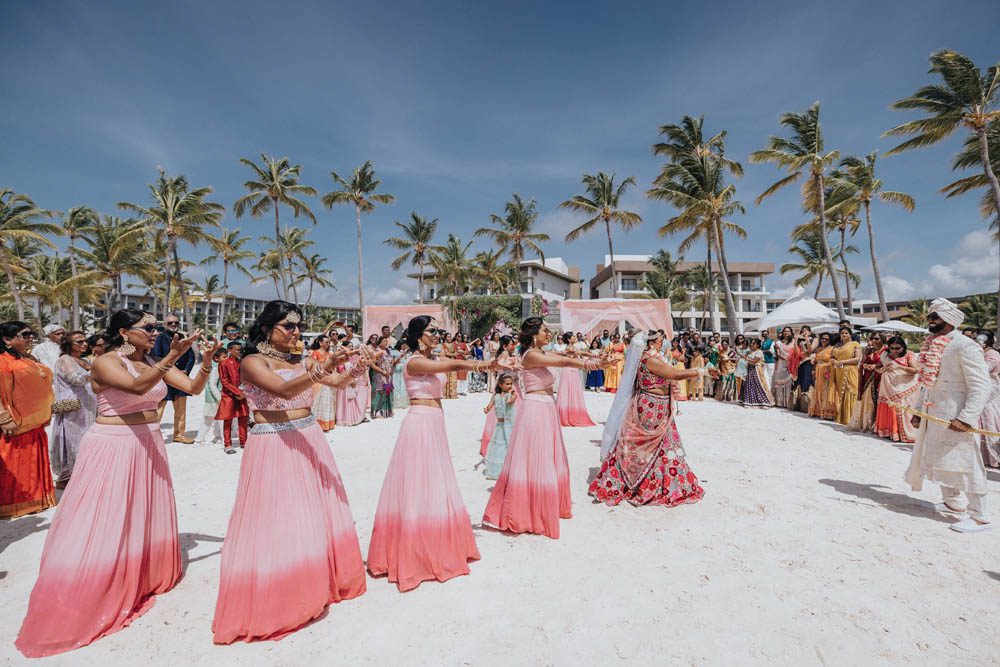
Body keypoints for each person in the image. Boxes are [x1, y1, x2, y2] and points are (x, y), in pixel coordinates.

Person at [16, 311, 217, 657]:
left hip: (148, 440)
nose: (154, 333)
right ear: (124, 331)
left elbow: (194, 389)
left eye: (156, 328)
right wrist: (170, 355)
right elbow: (138, 387)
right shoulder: (107, 360)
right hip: (114, 442)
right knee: (107, 514)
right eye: (148, 328)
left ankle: (141, 571)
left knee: (143, 509)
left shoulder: (154, 360)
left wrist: (206, 362)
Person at [212, 301, 367, 643]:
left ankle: (317, 579)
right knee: (281, 516)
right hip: (274, 442)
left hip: (308, 434)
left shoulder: (295, 360)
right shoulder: (253, 361)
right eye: (288, 326)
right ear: (267, 328)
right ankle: (287, 591)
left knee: (313, 510)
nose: (296, 332)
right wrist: (322, 365)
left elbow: (336, 383)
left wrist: (353, 370)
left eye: (298, 326)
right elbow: (282, 391)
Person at [368, 316, 496, 591]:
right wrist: (486, 364)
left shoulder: (431, 356)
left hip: (434, 421)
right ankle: (416, 548)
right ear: (417, 336)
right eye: (431, 331)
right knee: (418, 483)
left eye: (437, 331)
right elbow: (453, 364)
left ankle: (434, 536)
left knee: (435, 480)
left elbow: (449, 359)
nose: (436, 335)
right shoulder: (414, 360)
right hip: (420, 422)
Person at [483, 317, 610, 539]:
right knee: (536, 458)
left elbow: (563, 356)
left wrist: (595, 358)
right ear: (534, 334)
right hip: (536, 409)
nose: (548, 333)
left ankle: (541, 505)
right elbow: (563, 362)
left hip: (545, 408)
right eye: (544, 330)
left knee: (544, 457)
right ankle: (530, 511)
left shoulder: (538, 353)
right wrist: (595, 364)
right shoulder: (531, 355)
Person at [590, 331, 711, 507]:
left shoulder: (653, 358)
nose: (662, 344)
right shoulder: (650, 360)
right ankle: (640, 484)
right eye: (660, 341)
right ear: (651, 343)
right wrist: (702, 370)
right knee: (648, 445)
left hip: (658, 406)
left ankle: (661, 481)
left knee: (664, 444)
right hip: (651, 408)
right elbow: (673, 374)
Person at [904, 298, 992, 534]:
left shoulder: (965, 345)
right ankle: (953, 502)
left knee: (967, 462)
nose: (931, 320)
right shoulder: (931, 344)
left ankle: (980, 516)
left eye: (936, 317)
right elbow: (927, 383)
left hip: (957, 416)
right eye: (930, 316)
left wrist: (966, 418)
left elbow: (982, 386)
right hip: (935, 414)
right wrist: (920, 411)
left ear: (950, 320)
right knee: (939, 459)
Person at [0, 322, 55, 519]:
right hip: (15, 426)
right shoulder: (2, 361)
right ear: (7, 340)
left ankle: (35, 499)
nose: (30, 337)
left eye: (31, 334)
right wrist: (4, 419)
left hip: (34, 424)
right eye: (24, 335)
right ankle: (12, 505)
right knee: (15, 465)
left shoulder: (27, 358)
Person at [50, 331, 97, 488]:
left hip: (86, 406)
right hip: (73, 406)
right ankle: (68, 476)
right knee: (73, 440)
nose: (84, 344)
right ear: (68, 344)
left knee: (85, 438)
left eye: (85, 341)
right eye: (79, 342)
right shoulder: (65, 359)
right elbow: (76, 379)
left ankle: (81, 474)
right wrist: (96, 370)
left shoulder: (82, 359)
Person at [153, 314, 195, 443]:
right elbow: (156, 356)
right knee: (158, 409)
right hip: (164, 379)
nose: (173, 325)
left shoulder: (183, 338)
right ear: (165, 324)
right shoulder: (160, 338)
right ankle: (152, 435)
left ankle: (179, 435)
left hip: (181, 379)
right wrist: (169, 372)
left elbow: (191, 357)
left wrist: (186, 371)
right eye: (170, 323)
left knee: (181, 410)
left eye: (176, 322)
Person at [874, 336, 920, 443]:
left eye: (898, 348)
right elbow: (877, 367)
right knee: (889, 405)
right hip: (888, 386)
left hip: (904, 386)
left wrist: (899, 367)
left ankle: (901, 433)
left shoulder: (909, 354)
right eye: (892, 348)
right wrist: (881, 369)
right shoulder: (885, 354)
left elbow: (915, 370)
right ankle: (890, 432)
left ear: (903, 347)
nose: (894, 351)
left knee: (903, 409)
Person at [555, 332, 595, 427]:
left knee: (572, 391)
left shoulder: (572, 347)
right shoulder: (570, 348)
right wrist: (594, 355)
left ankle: (570, 412)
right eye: (573, 336)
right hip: (569, 371)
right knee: (569, 391)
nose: (575, 337)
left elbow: (582, 352)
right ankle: (569, 414)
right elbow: (581, 353)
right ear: (569, 339)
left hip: (573, 371)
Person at [216, 342, 249, 452]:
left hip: (242, 393)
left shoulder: (241, 362)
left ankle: (244, 442)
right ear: (229, 350)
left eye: (240, 349)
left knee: (243, 418)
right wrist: (237, 392)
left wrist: (243, 391)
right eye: (236, 349)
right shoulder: (224, 363)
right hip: (229, 395)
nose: (239, 352)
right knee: (228, 420)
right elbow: (224, 381)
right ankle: (227, 444)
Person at [848, 332, 884, 433]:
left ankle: (874, 423)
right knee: (867, 399)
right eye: (872, 338)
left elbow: (885, 364)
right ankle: (866, 423)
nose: (873, 340)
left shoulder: (885, 351)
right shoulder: (870, 350)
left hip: (878, 377)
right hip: (868, 377)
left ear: (882, 339)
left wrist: (874, 367)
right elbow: (862, 362)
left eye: (876, 338)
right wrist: (865, 354)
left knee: (874, 400)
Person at [483, 374, 517, 479]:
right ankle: (497, 470)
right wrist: (487, 409)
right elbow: (490, 405)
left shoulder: (511, 395)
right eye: (507, 384)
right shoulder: (496, 396)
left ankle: (507, 469)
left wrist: (513, 395)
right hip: (499, 425)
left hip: (507, 425)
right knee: (498, 447)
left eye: (511, 383)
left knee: (506, 445)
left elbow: (508, 402)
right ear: (501, 385)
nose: (510, 386)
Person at [976, 332, 1000, 467]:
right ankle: (981, 455)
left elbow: (984, 369)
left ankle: (993, 456)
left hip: (990, 387)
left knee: (989, 418)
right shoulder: (980, 352)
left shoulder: (993, 354)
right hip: (979, 386)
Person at [831, 327, 862, 426]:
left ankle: (851, 418)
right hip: (839, 370)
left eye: (846, 333)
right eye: (842, 333)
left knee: (851, 391)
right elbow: (831, 357)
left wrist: (842, 362)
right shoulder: (837, 345)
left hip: (850, 370)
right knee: (841, 393)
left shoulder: (855, 344)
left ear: (850, 334)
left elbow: (857, 359)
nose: (844, 335)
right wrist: (835, 362)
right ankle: (842, 417)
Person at [195, 347, 225, 447]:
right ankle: (199, 440)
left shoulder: (220, 367)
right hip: (213, 399)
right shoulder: (215, 369)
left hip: (214, 398)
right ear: (216, 358)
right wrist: (219, 398)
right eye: (225, 357)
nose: (227, 359)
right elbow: (212, 385)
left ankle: (217, 437)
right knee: (211, 420)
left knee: (211, 420)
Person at [309, 335, 337, 431]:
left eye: (329, 342)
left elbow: (333, 366)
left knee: (327, 402)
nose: (328, 344)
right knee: (317, 401)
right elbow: (312, 366)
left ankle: (326, 424)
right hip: (318, 380)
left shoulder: (329, 354)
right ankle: (315, 424)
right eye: (326, 342)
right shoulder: (315, 353)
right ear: (320, 343)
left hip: (328, 380)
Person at [809, 333, 836, 419]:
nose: (824, 340)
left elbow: (834, 360)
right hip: (818, 371)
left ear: (830, 340)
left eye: (826, 339)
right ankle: (817, 410)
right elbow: (816, 360)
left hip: (827, 371)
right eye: (822, 338)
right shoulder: (818, 349)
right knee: (818, 390)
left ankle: (826, 412)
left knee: (826, 390)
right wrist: (813, 369)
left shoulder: (832, 349)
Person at [741, 338, 774, 408]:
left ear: (758, 345)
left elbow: (754, 361)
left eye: (753, 343)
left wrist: (745, 358)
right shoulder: (750, 352)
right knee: (749, 385)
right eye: (751, 343)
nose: (751, 345)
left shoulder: (759, 352)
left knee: (759, 385)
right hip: (749, 370)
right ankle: (749, 401)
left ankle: (764, 401)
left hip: (756, 370)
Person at [771, 327, 796, 409]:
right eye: (785, 331)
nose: (786, 332)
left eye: (788, 331)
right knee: (780, 382)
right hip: (782, 363)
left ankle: (788, 402)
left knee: (789, 382)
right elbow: (777, 354)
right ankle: (780, 402)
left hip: (792, 364)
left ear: (791, 332)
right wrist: (785, 359)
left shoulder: (794, 342)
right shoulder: (778, 342)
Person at [371, 336, 395, 418]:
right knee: (379, 392)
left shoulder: (388, 351)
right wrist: (382, 371)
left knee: (387, 392)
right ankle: (376, 412)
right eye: (384, 341)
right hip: (379, 375)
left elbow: (391, 362)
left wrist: (391, 370)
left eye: (386, 341)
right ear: (380, 342)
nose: (385, 343)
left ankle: (385, 411)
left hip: (388, 375)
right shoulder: (376, 351)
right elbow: (372, 365)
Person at [391, 341, 411, 410]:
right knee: (396, 385)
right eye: (402, 345)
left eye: (405, 345)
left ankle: (403, 402)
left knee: (403, 386)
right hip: (396, 370)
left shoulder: (406, 352)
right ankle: (396, 402)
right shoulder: (394, 352)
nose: (404, 346)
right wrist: (399, 357)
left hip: (403, 371)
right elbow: (393, 363)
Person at [733, 334, 748, 401]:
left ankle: (745, 396)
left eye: (741, 338)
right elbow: (735, 356)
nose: (740, 339)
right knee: (738, 380)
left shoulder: (747, 347)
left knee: (745, 380)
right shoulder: (736, 347)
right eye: (739, 338)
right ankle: (739, 396)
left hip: (745, 364)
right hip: (738, 364)